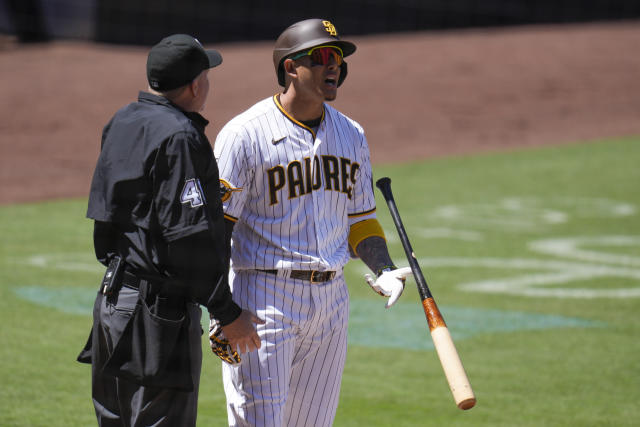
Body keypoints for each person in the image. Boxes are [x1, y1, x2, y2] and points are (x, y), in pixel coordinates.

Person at [212, 19, 412, 426]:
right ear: (290, 68)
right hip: (263, 299)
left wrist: (385, 268)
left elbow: (361, 219)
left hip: (331, 302)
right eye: (321, 57)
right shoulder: (245, 135)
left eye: (337, 58)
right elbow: (216, 230)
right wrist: (223, 311)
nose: (333, 66)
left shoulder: (351, 134)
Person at [76, 34, 263, 427]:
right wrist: (226, 312)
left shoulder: (123, 120)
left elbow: (107, 212)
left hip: (112, 301)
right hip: (157, 318)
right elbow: (188, 236)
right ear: (195, 84)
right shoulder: (181, 136)